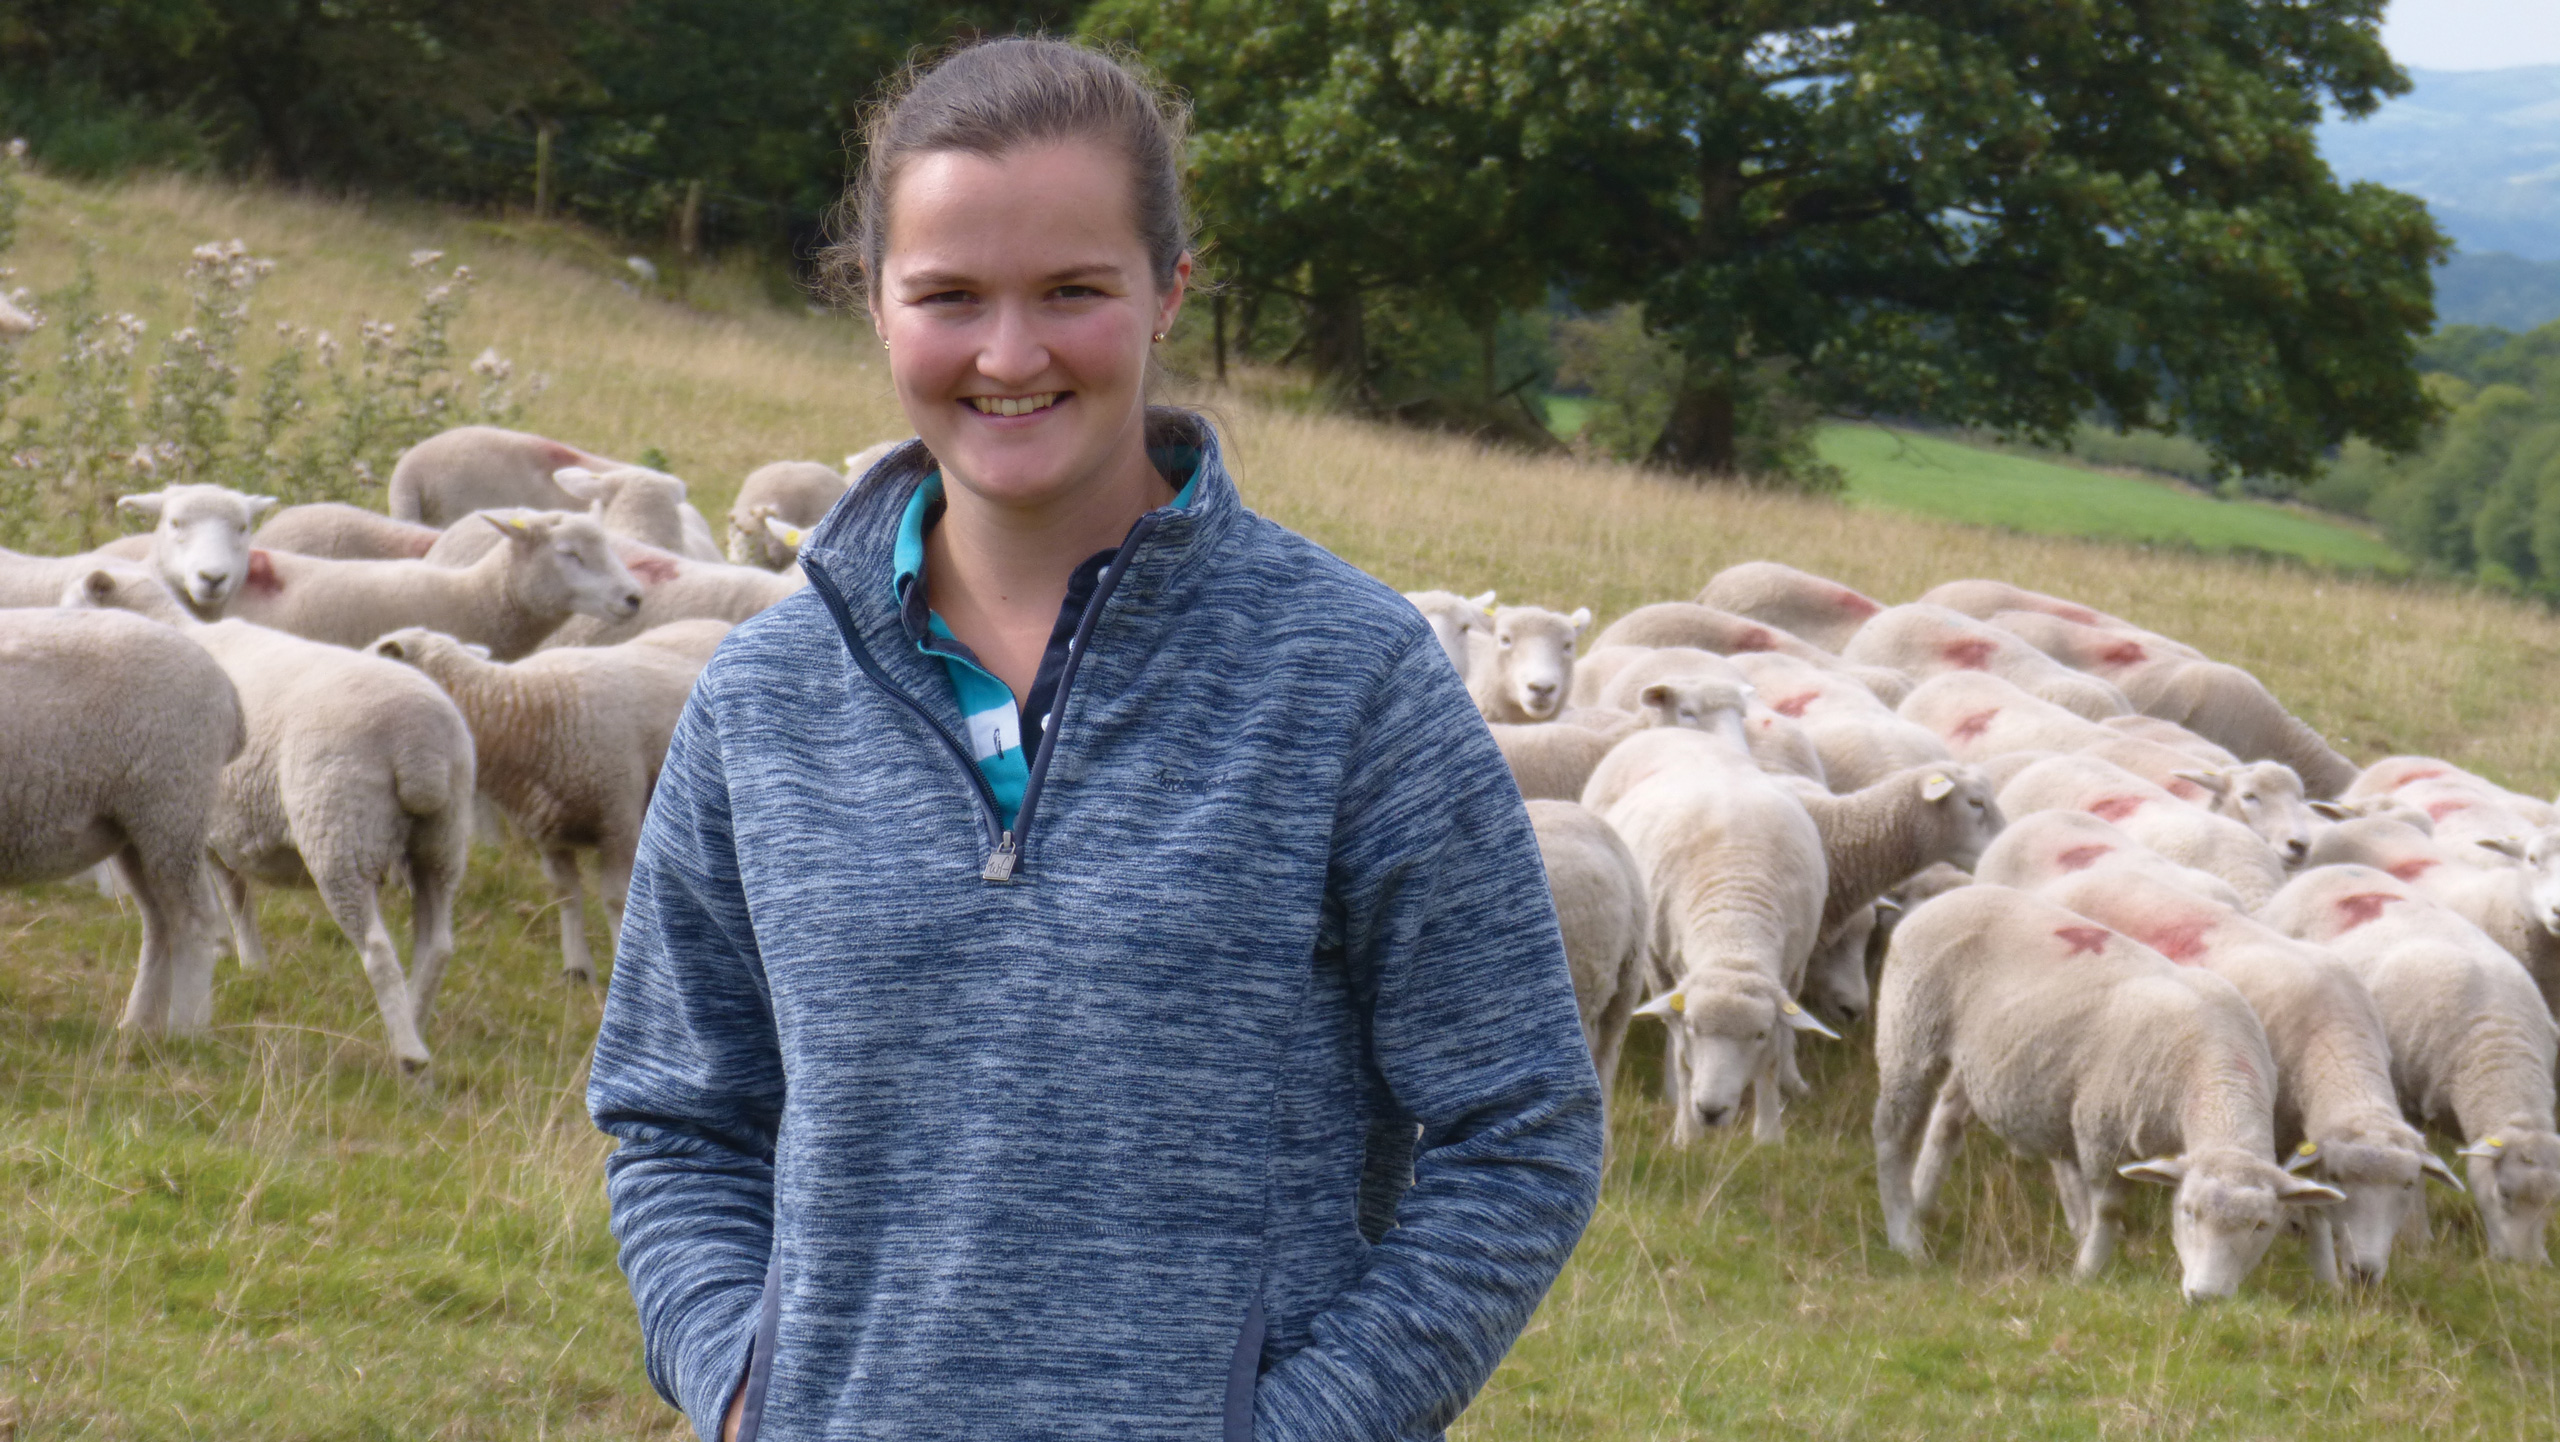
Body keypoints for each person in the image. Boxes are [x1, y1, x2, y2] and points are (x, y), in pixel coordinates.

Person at [587, 36, 1603, 1442]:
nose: (1011, 354)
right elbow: (675, 1114)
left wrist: (1311, 1421)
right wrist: (744, 1377)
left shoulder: (1349, 678)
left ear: (1167, 292)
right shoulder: (764, 698)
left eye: (1074, 291)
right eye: (950, 296)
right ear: (876, 304)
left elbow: (1522, 1125)